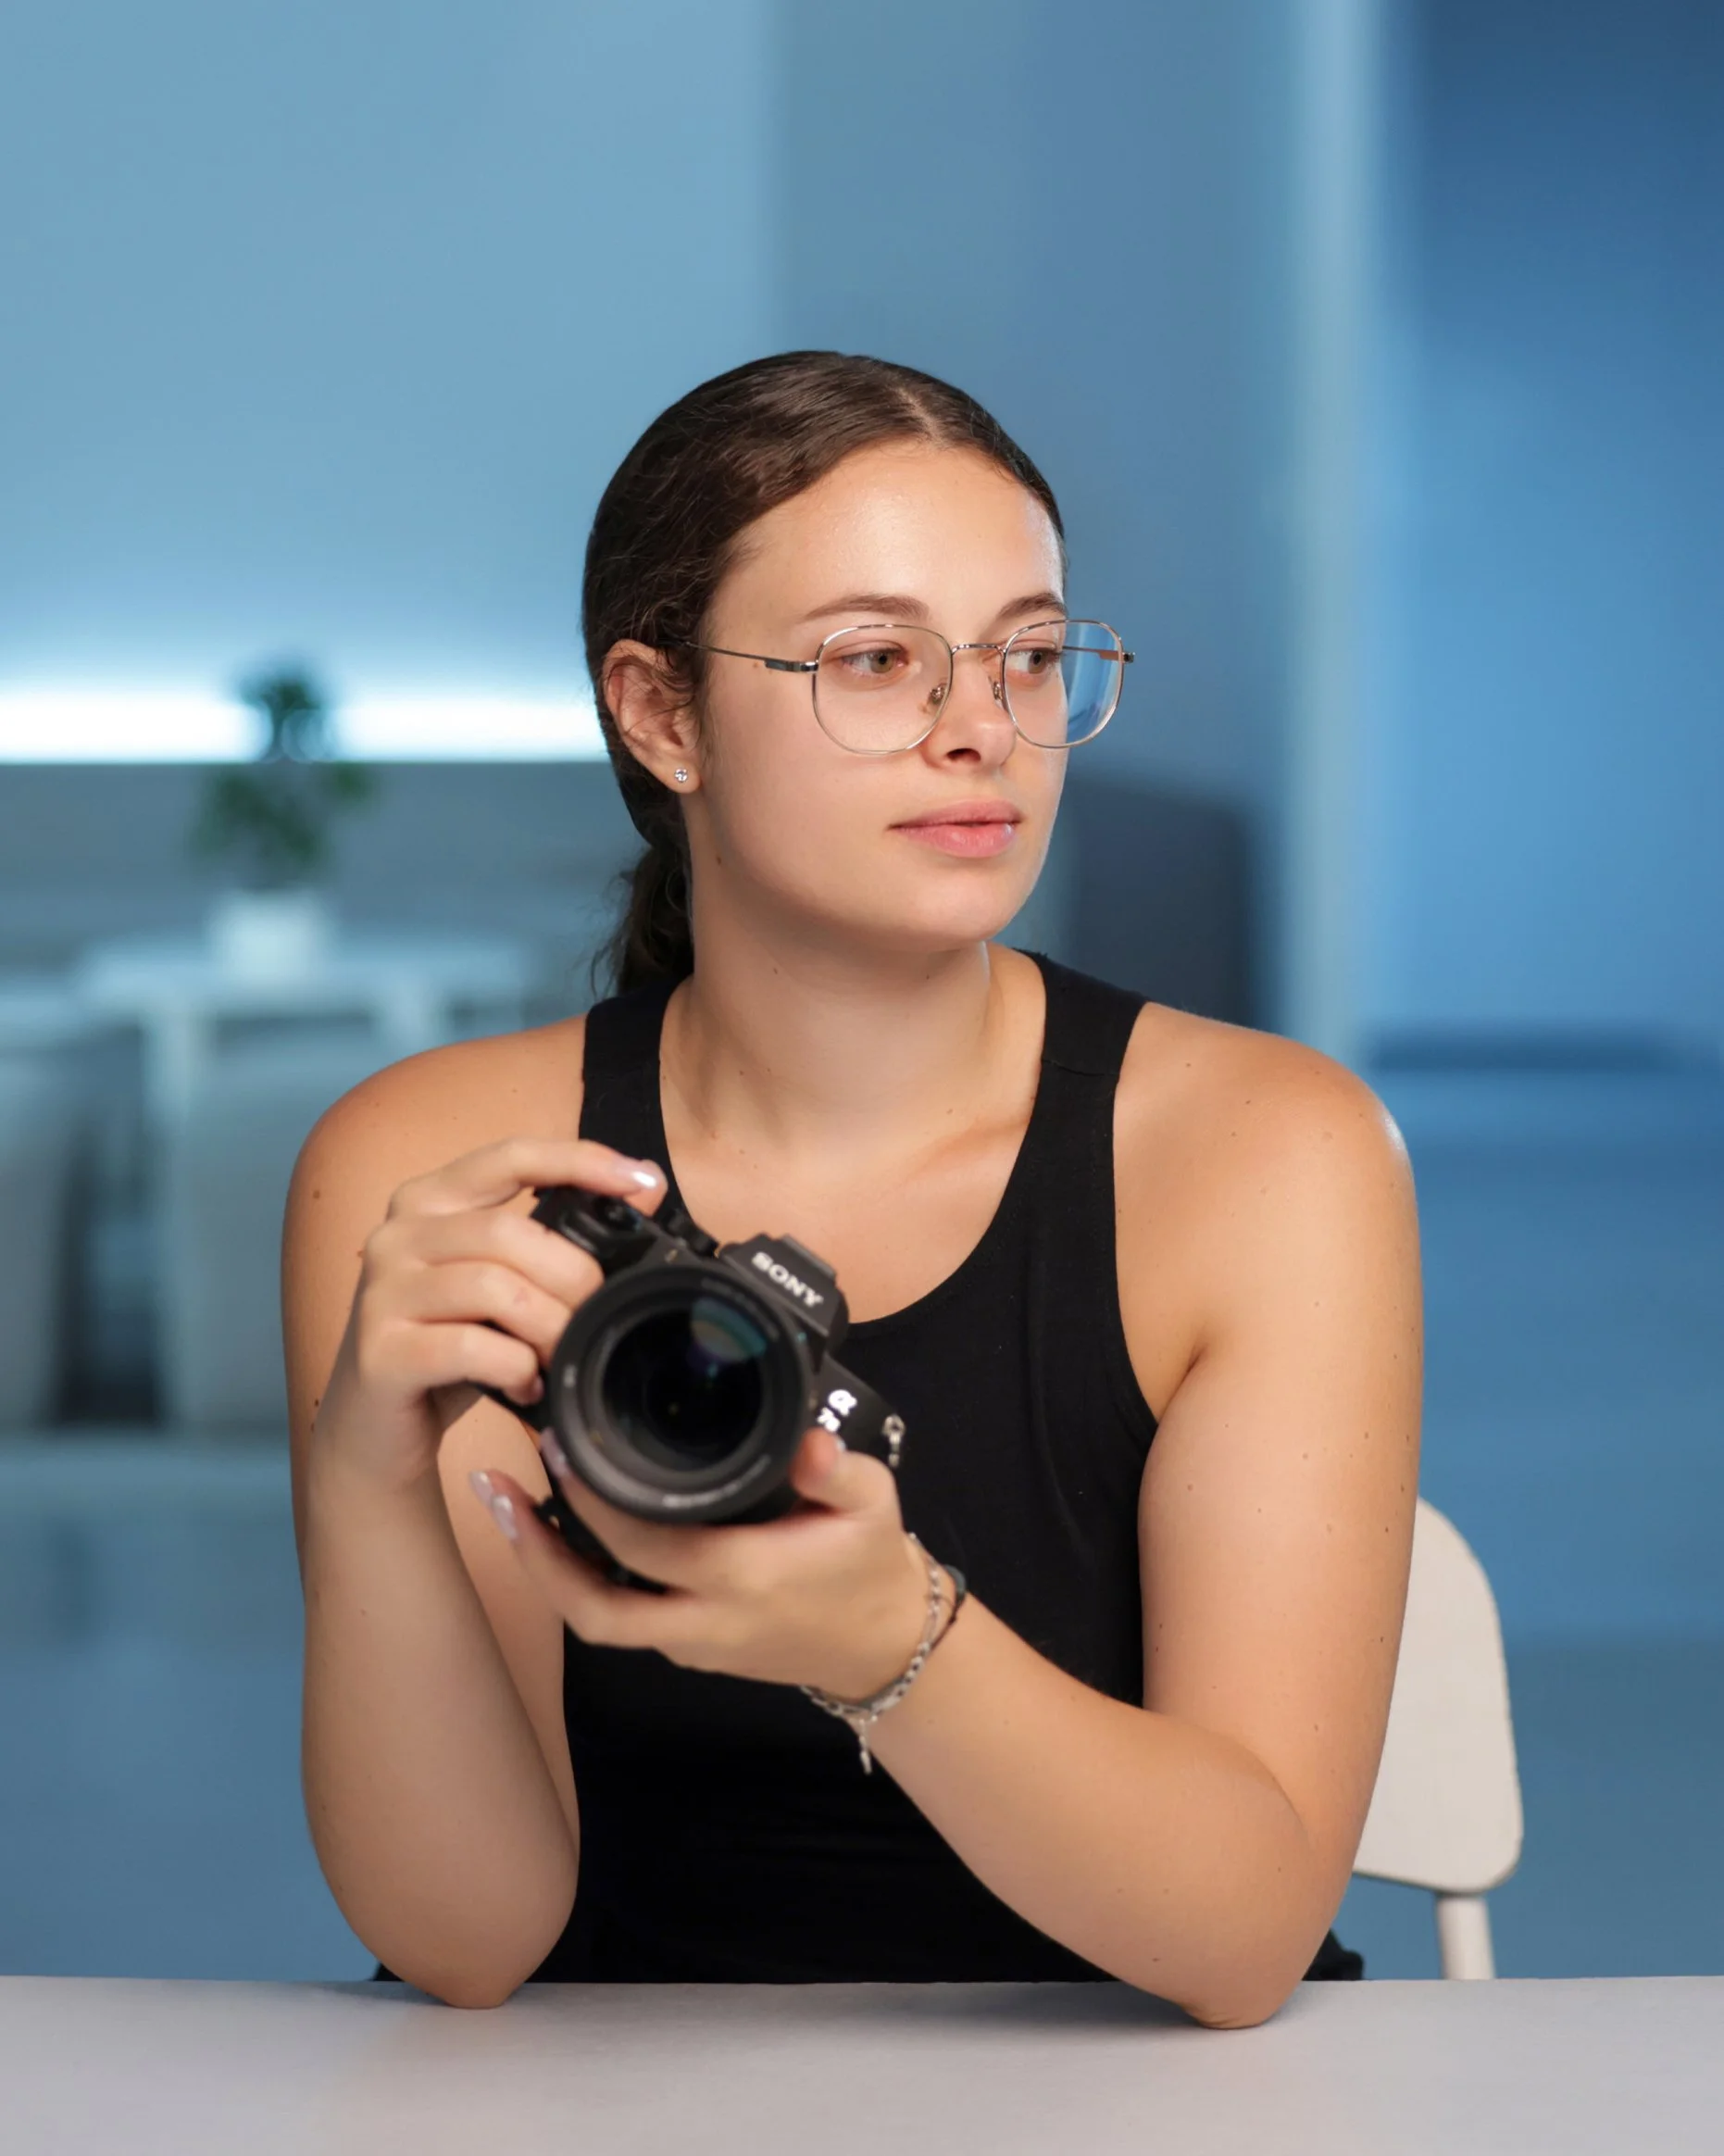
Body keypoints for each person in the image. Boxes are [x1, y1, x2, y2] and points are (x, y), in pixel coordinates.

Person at [284, 351, 1420, 2025]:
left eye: (1030, 656)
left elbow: (1244, 1932)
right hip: (601, 2111)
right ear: (660, 713)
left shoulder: (1269, 1154)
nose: (981, 727)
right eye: (875, 660)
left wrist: (884, 1636)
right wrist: (366, 1482)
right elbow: (468, 1939)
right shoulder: (436, 1173)